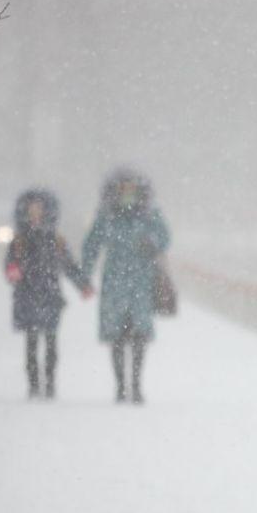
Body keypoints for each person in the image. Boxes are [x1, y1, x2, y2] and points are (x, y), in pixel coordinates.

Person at [81, 167, 172, 403]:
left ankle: (137, 384)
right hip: (115, 282)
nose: (128, 193)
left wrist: (152, 243)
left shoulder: (151, 215)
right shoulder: (106, 215)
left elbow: (165, 238)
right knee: (117, 336)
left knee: (140, 335)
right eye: (124, 188)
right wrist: (85, 276)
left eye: (132, 188)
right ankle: (121, 385)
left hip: (142, 281)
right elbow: (92, 245)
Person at [4, 188, 93, 399]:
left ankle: (50, 382)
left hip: (50, 297)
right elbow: (9, 266)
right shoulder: (19, 241)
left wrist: (83, 285)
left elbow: (69, 266)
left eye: (39, 209)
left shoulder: (56, 241)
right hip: (27, 296)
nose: (35, 214)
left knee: (51, 343)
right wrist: (14, 271)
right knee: (32, 342)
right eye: (31, 209)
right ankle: (34, 384)